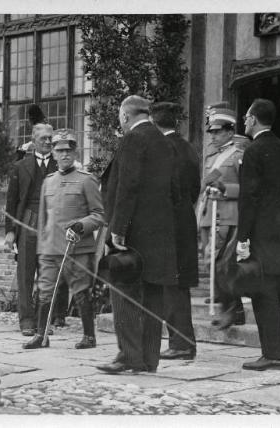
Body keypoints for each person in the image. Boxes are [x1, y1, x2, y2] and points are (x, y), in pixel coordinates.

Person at [97, 95, 179, 374]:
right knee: (153, 297)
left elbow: (126, 187)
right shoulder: (165, 141)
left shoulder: (133, 139)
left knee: (124, 292)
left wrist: (117, 231)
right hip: (160, 236)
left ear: (124, 116)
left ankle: (129, 356)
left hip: (133, 234)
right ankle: (148, 359)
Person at [22, 129, 105, 350]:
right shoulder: (48, 182)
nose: (65, 154)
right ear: (54, 154)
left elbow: (99, 215)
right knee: (44, 290)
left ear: (75, 152)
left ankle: (89, 336)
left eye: (68, 150)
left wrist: (81, 226)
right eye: (60, 150)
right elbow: (43, 219)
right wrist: (42, 246)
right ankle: (41, 335)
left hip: (76, 248)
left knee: (80, 291)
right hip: (50, 249)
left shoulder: (86, 180)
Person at [237, 98, 280, 371]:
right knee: (275, 293)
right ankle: (275, 352)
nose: (244, 121)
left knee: (264, 295)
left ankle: (273, 354)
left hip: (261, 232)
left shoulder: (252, 151)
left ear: (252, 119)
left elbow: (249, 198)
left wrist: (242, 237)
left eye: (246, 117)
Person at [149, 101, 200, 360]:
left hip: (165, 227)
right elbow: (194, 190)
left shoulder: (161, 149)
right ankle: (183, 341)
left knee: (170, 287)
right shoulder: (187, 147)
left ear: (155, 124)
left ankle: (180, 344)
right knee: (179, 288)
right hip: (184, 223)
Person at [4, 123, 58, 336]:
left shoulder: (58, 165)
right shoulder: (20, 166)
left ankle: (45, 321)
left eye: (50, 138)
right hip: (27, 220)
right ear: (34, 140)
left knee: (48, 273)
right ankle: (26, 320)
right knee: (26, 273)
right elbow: (11, 201)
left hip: (52, 223)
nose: (47, 142)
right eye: (43, 138)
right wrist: (10, 231)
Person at [197, 105, 246, 328]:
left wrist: (224, 188)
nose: (213, 136)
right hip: (210, 213)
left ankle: (232, 308)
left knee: (222, 264)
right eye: (212, 132)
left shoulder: (238, 156)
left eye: (217, 132)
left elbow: (246, 189)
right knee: (210, 262)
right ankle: (230, 305)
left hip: (227, 215)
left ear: (229, 132)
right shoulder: (211, 157)